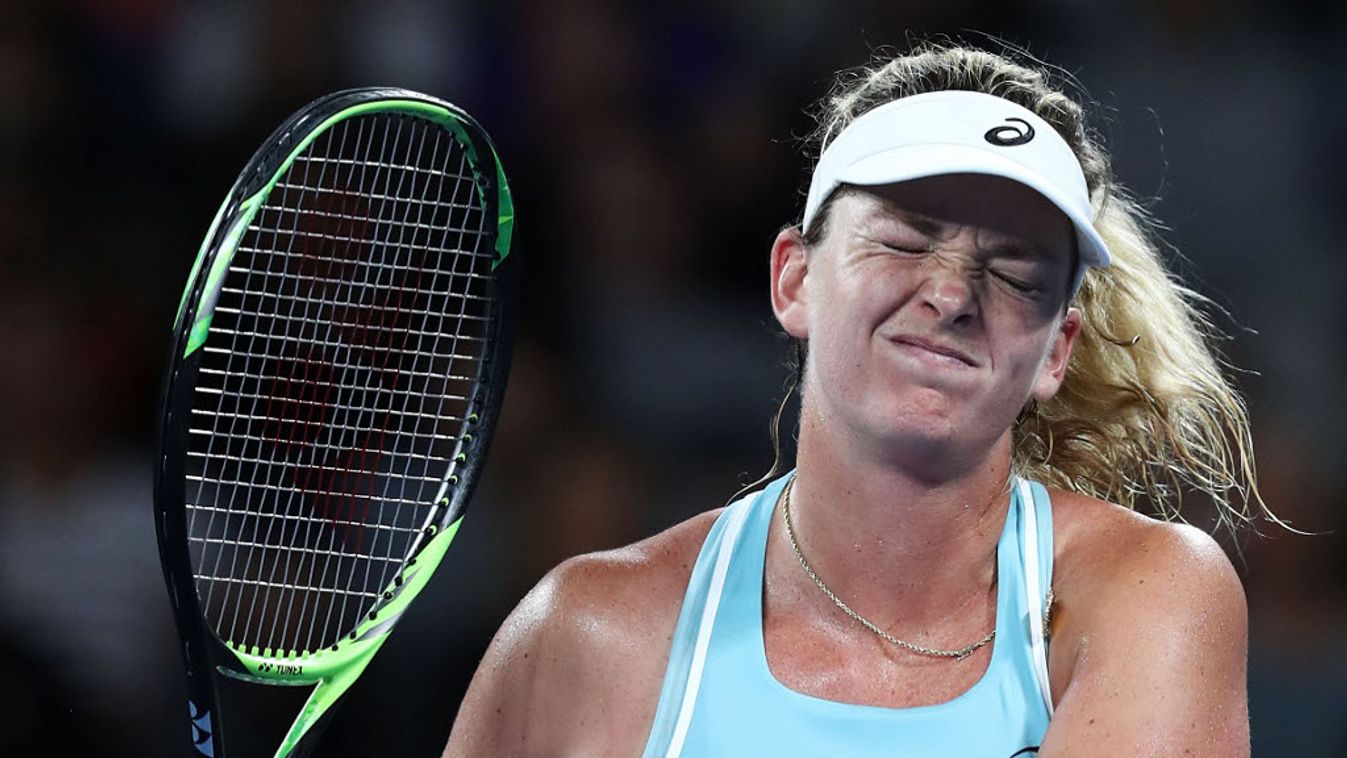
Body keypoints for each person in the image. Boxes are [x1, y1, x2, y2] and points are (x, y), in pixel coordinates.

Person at [444, 42, 1264, 757]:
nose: (951, 295)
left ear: (1055, 352)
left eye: (1015, 274)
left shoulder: (1148, 593)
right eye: (904, 240)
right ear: (793, 279)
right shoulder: (586, 632)